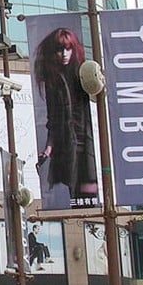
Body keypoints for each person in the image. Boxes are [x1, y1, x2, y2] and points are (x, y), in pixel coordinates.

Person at [34, 27, 98, 208]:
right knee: (76, 193)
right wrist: (48, 149)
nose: (64, 54)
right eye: (59, 49)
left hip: (87, 144)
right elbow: (53, 121)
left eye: (68, 49)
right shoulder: (53, 82)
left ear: (74, 49)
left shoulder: (82, 71)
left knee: (89, 191)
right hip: (68, 147)